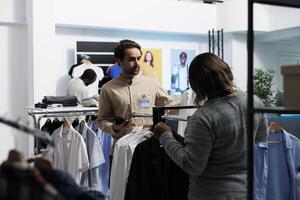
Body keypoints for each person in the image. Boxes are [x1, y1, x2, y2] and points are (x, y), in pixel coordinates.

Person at [154, 52, 268, 199]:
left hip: (210, 194)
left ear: (197, 85)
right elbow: (261, 136)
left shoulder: (203, 118)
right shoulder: (254, 101)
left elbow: (192, 165)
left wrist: (165, 136)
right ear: (226, 71)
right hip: (244, 191)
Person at [98, 39, 173, 155]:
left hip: (149, 150)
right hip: (121, 150)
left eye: (138, 58)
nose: (137, 63)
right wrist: (114, 127)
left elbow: (170, 105)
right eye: (132, 59)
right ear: (119, 61)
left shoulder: (152, 84)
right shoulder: (108, 88)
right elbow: (102, 120)